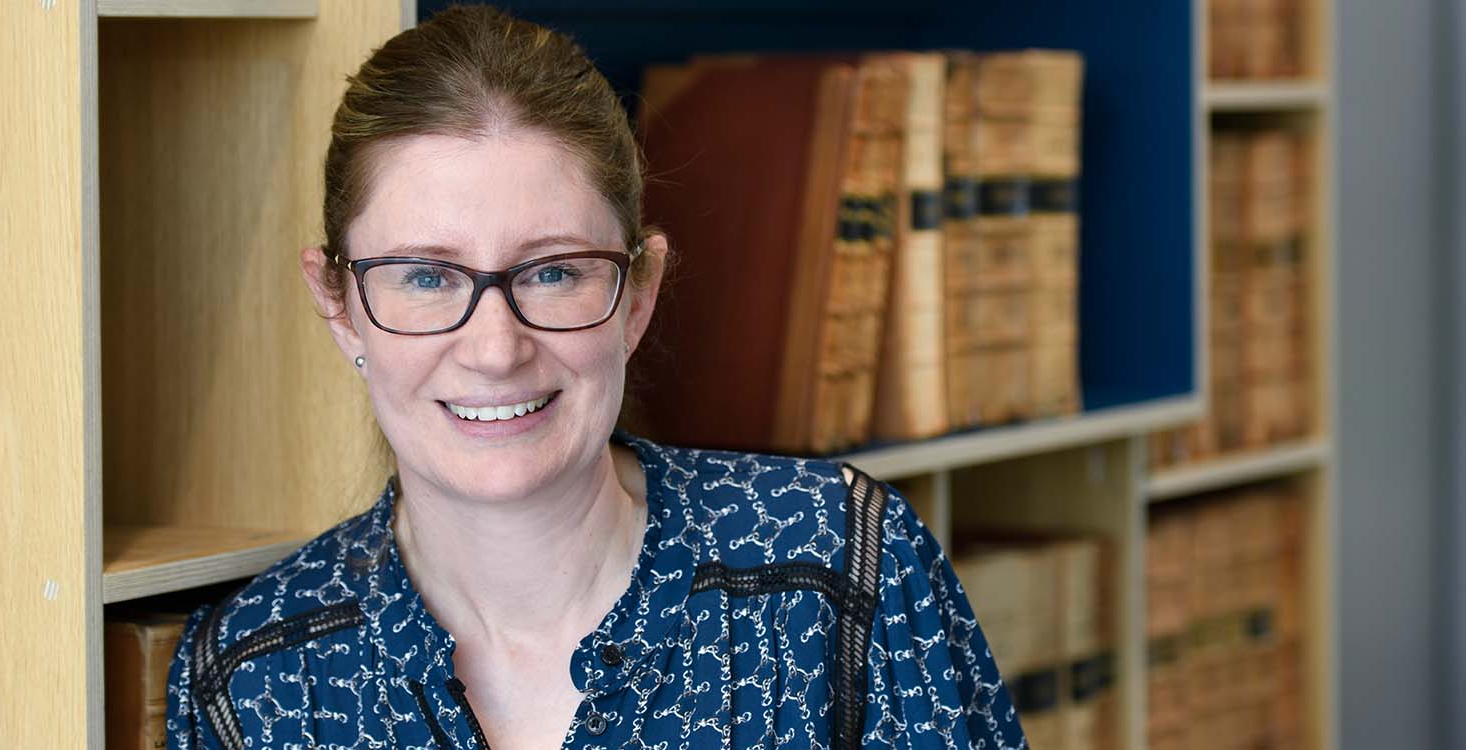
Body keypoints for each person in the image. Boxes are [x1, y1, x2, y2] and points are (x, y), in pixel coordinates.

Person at [164, 5, 1025, 749]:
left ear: (638, 296)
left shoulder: (838, 566)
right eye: (426, 277)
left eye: (553, 272)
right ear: (340, 305)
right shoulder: (251, 679)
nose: (495, 349)